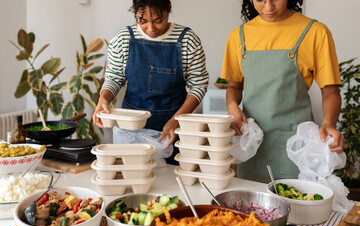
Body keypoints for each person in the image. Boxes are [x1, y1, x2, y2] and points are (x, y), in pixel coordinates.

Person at [221, 0, 344, 182]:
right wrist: (232, 106)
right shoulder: (238, 36)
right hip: (252, 146)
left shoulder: (315, 32)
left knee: (296, 204)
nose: (269, 7)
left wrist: (328, 123)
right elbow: (234, 86)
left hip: (295, 147)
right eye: (260, 0)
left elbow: (330, 91)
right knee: (251, 207)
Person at [92, 0, 209, 165]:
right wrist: (104, 98)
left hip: (175, 129)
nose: (151, 28)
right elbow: (114, 77)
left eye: (158, 20)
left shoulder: (187, 40)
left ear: (168, 7)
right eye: (142, 21)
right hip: (131, 133)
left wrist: (177, 120)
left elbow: (199, 85)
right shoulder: (123, 40)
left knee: (173, 183)